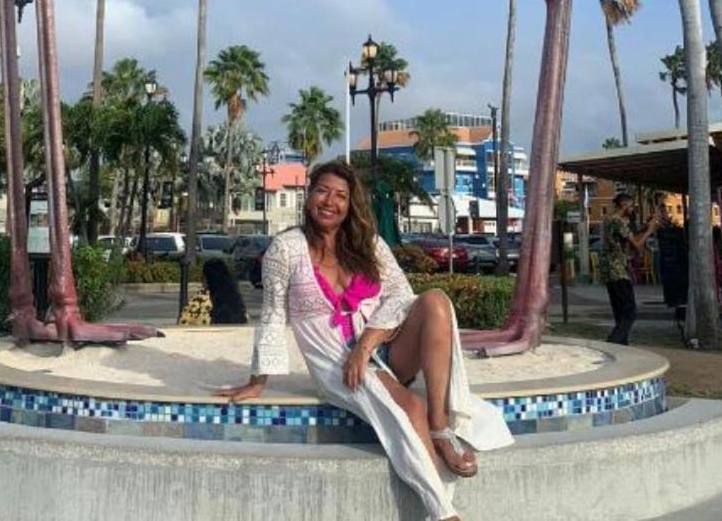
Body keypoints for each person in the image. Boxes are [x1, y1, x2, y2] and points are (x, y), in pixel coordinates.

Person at [217, 160, 511, 521]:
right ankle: (443, 512)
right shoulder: (286, 248)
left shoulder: (367, 244)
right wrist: (257, 380)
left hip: (380, 348)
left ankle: (440, 426)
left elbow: (402, 295)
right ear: (309, 196)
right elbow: (273, 314)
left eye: (341, 195)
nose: (330, 201)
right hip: (336, 362)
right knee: (408, 408)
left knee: (435, 301)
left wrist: (366, 343)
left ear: (350, 203)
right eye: (323, 190)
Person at [598, 191, 660, 346]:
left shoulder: (609, 220)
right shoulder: (618, 221)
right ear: (624, 205)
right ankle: (612, 344)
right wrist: (649, 231)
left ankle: (622, 346)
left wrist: (645, 227)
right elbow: (637, 245)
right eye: (631, 206)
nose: (633, 209)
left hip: (610, 272)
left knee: (620, 313)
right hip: (618, 271)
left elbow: (629, 239)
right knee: (629, 313)